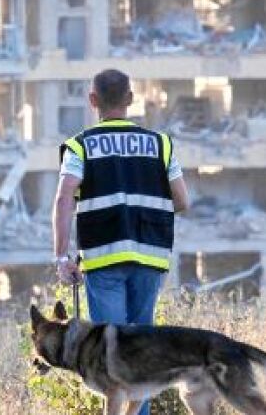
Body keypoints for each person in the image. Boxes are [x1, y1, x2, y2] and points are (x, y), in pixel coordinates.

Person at [50, 68, 190, 415]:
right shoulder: (160, 144)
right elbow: (182, 201)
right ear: (130, 99)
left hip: (103, 260)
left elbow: (64, 197)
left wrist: (61, 256)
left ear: (92, 100)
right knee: (140, 355)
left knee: (111, 357)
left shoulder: (80, 146)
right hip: (150, 258)